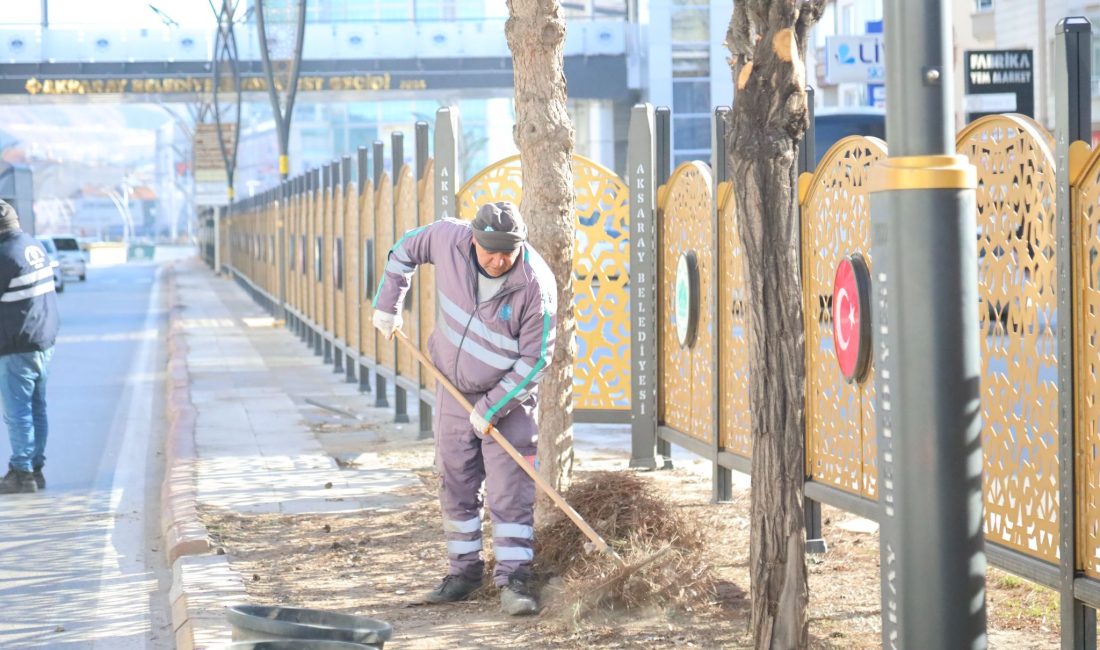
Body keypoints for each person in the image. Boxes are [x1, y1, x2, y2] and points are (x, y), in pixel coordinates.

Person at [372, 201, 556, 616]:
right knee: (455, 483)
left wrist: (491, 407)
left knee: (510, 493)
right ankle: (464, 573)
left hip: (509, 400)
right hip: (452, 391)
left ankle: (515, 579)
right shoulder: (447, 239)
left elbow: (536, 359)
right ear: (472, 240)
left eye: (508, 251)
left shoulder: (534, 285)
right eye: (490, 250)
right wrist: (388, 304)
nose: (499, 260)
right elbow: (403, 252)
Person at [0, 200, 59, 494]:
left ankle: (22, 472)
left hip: (17, 344)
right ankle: (36, 468)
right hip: (41, 340)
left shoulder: (5, 255)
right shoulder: (32, 245)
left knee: (18, 410)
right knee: (37, 407)